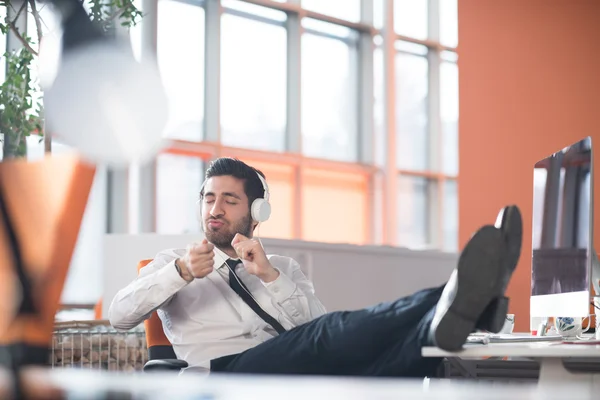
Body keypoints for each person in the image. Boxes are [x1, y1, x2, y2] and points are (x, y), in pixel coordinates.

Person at [109, 157, 523, 378]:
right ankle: (463, 293)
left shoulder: (280, 266)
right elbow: (119, 315)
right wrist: (181, 271)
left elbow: (316, 328)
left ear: (256, 212)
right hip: (222, 375)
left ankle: (460, 310)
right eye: (208, 198)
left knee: (400, 364)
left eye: (228, 200)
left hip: (289, 369)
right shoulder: (171, 264)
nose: (214, 209)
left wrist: (269, 277)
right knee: (329, 336)